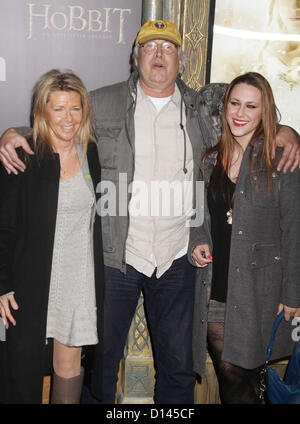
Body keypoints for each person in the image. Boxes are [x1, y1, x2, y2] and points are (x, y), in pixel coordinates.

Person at [0, 21, 299, 404]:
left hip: (177, 258)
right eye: (150, 47)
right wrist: (14, 133)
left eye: (168, 48)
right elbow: (61, 119)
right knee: (102, 364)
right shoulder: (103, 101)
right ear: (136, 57)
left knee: (177, 366)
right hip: (118, 257)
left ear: (181, 61)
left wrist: (288, 131)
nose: (159, 55)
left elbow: (253, 113)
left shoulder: (205, 108)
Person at [191, 72, 300, 404]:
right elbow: (199, 214)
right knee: (231, 373)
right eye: (235, 104)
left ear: (264, 112)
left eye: (251, 106)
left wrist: (294, 293)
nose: (240, 113)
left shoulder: (281, 159)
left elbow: (294, 229)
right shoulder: (210, 159)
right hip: (215, 286)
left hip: (259, 291)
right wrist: (198, 239)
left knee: (243, 374)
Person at [0, 70, 104, 404]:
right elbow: (4, 226)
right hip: (30, 280)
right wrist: (2, 284)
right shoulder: (23, 154)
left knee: (69, 365)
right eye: (58, 109)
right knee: (22, 367)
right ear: (42, 112)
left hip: (78, 278)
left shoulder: (91, 152)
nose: (68, 118)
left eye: (75, 108)